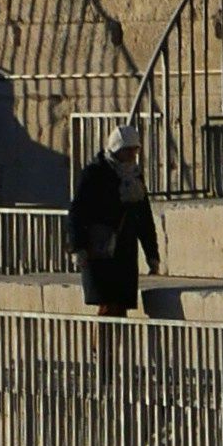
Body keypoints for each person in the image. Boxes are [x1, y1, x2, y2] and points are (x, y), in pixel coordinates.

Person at [64, 128, 159, 318]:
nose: (132, 154)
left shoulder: (134, 176)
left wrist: (152, 255)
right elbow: (77, 212)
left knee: (119, 307)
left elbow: (144, 218)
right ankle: (101, 348)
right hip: (101, 252)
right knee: (107, 306)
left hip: (124, 253)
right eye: (127, 150)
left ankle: (113, 347)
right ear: (116, 150)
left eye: (134, 150)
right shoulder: (95, 173)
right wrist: (78, 247)